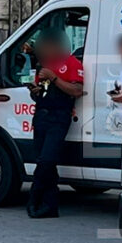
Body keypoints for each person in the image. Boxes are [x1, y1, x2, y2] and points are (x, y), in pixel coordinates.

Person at [28, 29, 84, 218]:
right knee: (43, 161)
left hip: (59, 116)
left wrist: (54, 77)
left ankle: (34, 198)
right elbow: (42, 90)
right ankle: (49, 204)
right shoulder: (43, 64)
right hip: (41, 115)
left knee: (47, 160)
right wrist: (36, 90)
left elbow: (77, 90)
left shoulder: (71, 63)